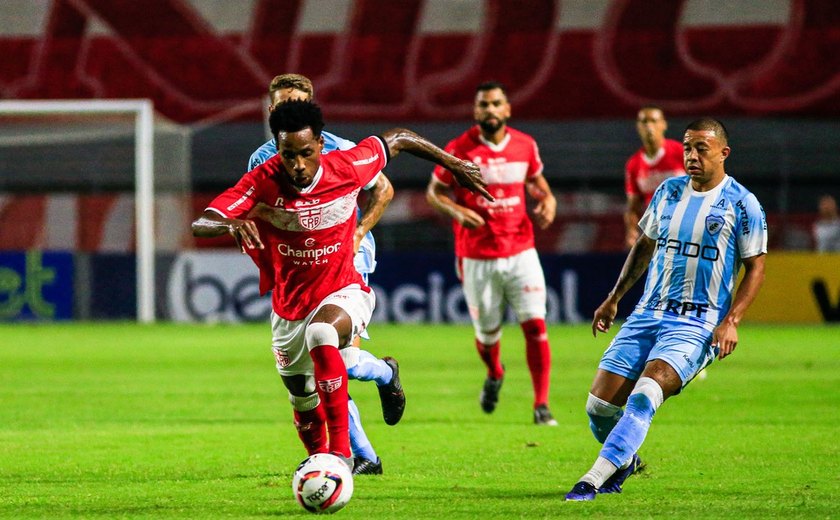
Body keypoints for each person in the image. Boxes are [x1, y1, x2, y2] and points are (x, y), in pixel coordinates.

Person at [193, 100, 491, 472]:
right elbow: (203, 221)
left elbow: (397, 139)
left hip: (344, 290)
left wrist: (455, 165)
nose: (298, 165)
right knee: (302, 396)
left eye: (306, 153)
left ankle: (341, 456)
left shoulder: (347, 165)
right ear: (278, 149)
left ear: (320, 144)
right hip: (290, 306)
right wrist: (229, 224)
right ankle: (332, 443)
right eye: (289, 155)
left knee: (322, 334)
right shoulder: (262, 180)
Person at [565, 118, 767, 501]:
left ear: (723, 153)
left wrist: (732, 320)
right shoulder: (668, 192)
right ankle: (624, 458)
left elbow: (756, 265)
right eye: (687, 148)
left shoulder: (743, 204)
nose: (691, 156)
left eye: (700, 149)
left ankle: (592, 479)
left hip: (698, 323)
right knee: (598, 407)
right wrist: (614, 297)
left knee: (646, 393)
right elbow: (644, 245)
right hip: (647, 313)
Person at [248, 73, 399, 475]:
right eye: (281, 105)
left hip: (346, 259)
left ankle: (355, 453)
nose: (288, 110)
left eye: (296, 102)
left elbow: (383, 190)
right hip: (300, 267)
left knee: (325, 354)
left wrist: (360, 231)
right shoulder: (262, 159)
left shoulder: (342, 150)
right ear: (270, 112)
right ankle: (383, 380)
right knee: (329, 361)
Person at [426, 81, 559, 425]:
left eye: (496, 103)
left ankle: (541, 405)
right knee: (488, 335)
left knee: (536, 326)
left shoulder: (525, 146)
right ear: (476, 111)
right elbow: (434, 192)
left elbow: (540, 187)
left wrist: (549, 201)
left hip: (521, 250)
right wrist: (457, 212)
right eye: (483, 104)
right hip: (477, 255)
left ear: (507, 109)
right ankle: (495, 372)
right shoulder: (459, 149)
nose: (490, 110)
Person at [624, 106, 686, 249]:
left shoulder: (680, 152)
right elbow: (633, 206)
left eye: (653, 121)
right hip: (658, 231)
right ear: (638, 126)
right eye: (644, 122)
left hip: (687, 225)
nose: (649, 126)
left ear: (663, 124)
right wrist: (631, 231)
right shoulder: (634, 164)